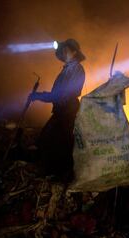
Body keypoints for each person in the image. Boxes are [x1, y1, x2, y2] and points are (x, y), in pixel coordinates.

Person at [30, 38, 86, 181]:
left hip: (68, 111)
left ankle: (62, 175)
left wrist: (40, 96)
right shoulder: (67, 70)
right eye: (62, 50)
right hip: (62, 110)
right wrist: (41, 96)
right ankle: (58, 173)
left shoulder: (76, 69)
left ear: (74, 52)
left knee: (59, 141)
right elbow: (58, 94)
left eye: (66, 49)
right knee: (53, 140)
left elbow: (65, 94)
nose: (63, 52)